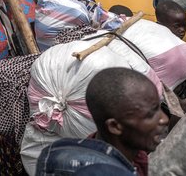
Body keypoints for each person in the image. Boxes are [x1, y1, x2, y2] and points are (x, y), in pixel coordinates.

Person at [36, 67, 169, 176]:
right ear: (114, 126)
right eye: (150, 115)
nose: (164, 119)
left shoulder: (68, 150)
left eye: (159, 108)